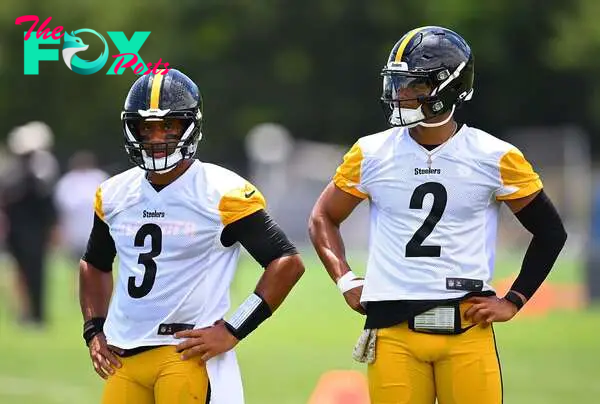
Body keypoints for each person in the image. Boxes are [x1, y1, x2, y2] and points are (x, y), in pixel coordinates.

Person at [308, 26, 567, 404]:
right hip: (393, 330)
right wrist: (345, 279)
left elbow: (550, 232)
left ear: (447, 89)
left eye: (412, 85)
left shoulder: (494, 155)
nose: (399, 94)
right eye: (397, 83)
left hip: (466, 325)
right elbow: (322, 217)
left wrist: (515, 299)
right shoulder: (371, 152)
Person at [79, 68, 305, 404]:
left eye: (168, 125)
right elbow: (94, 264)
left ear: (190, 126)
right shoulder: (113, 193)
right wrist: (93, 330)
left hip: (184, 353)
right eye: (147, 127)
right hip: (123, 356)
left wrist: (233, 329)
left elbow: (286, 262)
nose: (156, 137)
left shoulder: (222, 192)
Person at [1, 121, 59, 327]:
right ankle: (31, 313)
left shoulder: (19, 175)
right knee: (29, 274)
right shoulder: (25, 175)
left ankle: (33, 313)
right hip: (27, 233)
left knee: (30, 273)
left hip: (27, 233)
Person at [54, 150, 109, 263]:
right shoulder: (67, 181)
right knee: (77, 262)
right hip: (74, 229)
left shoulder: (99, 177)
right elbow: (61, 206)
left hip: (97, 228)